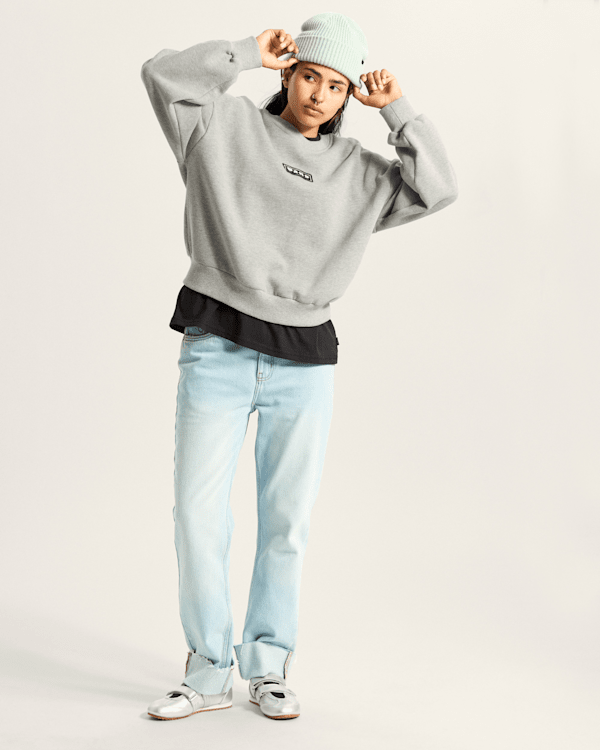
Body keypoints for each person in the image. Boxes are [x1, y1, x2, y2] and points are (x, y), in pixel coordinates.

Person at [140, 11, 458, 721]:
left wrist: (397, 110)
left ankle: (268, 664)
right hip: (217, 345)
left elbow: (437, 187)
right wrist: (245, 52)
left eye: (336, 85)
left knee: (286, 521)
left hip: (304, 363)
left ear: (350, 95)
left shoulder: (360, 173)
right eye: (310, 76)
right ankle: (208, 668)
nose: (319, 94)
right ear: (289, 74)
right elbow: (162, 75)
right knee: (196, 514)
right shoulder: (220, 126)